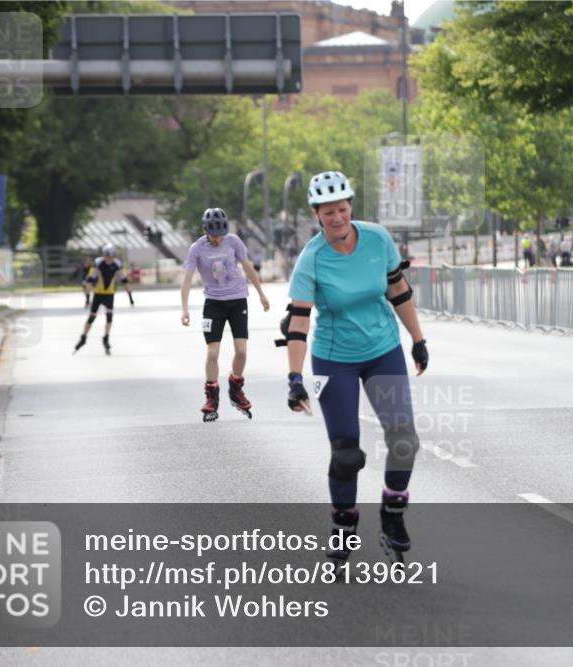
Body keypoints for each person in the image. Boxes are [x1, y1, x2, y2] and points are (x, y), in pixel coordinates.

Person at [279, 171, 428, 565]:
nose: (338, 218)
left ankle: (393, 516)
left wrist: (418, 339)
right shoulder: (312, 258)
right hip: (334, 357)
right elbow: (297, 321)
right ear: (317, 213)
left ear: (351, 207)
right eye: (329, 213)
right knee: (345, 454)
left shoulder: (378, 238)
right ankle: (344, 526)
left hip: (382, 350)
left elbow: (398, 289)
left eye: (343, 210)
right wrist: (295, 378)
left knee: (404, 440)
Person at [180, 208, 270, 421]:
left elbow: (247, 267)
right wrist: (184, 308)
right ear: (205, 230)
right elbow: (187, 279)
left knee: (242, 351)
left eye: (221, 235)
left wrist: (261, 294)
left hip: (238, 300)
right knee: (213, 352)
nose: (218, 240)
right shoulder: (196, 249)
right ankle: (212, 397)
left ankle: (235, 388)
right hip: (213, 304)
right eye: (213, 235)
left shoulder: (234, 242)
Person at [74, 244, 133, 355]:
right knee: (92, 317)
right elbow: (89, 280)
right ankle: (83, 337)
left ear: (113, 256)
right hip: (98, 294)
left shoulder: (117, 265)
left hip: (109, 294)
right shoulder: (98, 264)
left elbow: (124, 280)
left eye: (110, 257)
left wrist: (130, 298)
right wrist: (87, 298)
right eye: (107, 257)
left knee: (109, 316)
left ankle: (106, 338)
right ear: (104, 256)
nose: (108, 259)